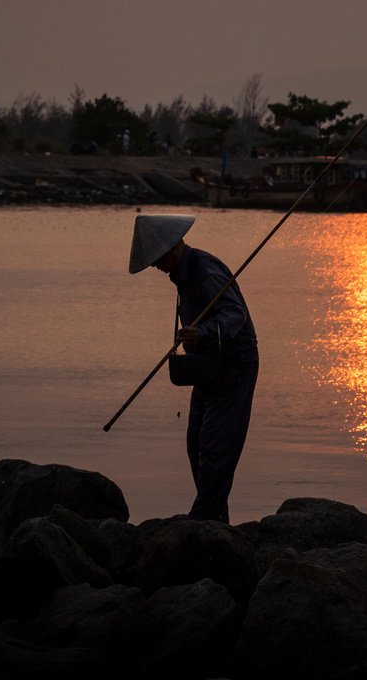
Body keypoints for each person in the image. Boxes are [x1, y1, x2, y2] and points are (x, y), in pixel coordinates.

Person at [128, 214, 259, 523]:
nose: (157, 267)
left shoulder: (205, 270)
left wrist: (201, 332)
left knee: (215, 447)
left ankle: (203, 520)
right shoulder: (183, 275)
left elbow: (235, 315)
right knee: (197, 443)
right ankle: (216, 520)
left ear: (173, 247)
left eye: (157, 259)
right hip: (208, 366)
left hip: (234, 364)